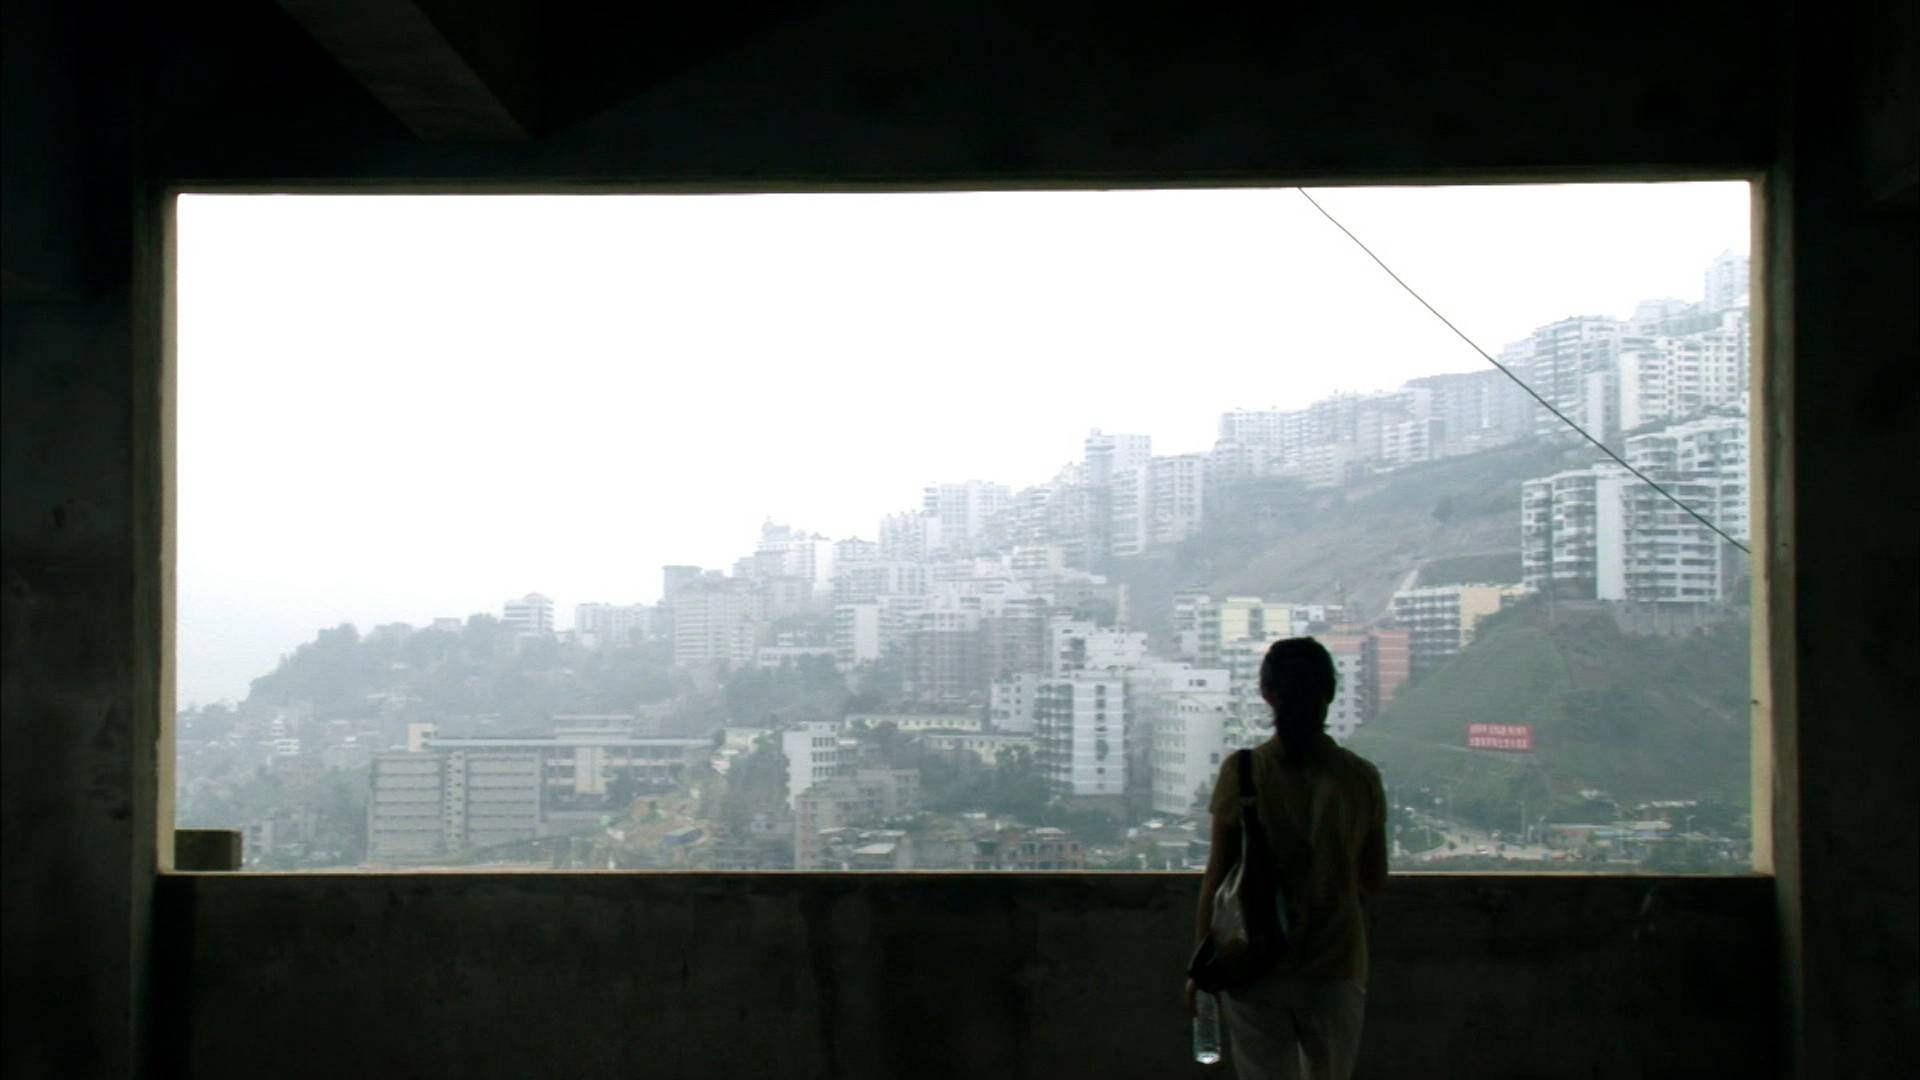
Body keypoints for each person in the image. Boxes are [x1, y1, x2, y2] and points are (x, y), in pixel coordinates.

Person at [1186, 637, 1389, 1080]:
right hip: (1335, 966)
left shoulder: (1243, 772)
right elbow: (1373, 879)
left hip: (1255, 963)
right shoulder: (1360, 778)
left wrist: (1200, 967)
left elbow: (1217, 877)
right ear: (1330, 694)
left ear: (1267, 694)